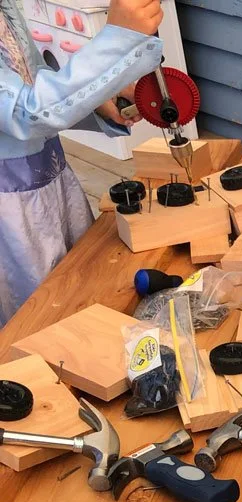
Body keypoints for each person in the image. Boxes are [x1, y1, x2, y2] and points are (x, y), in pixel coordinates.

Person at [0, 0, 163, 325]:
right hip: (10, 221)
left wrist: (97, 100)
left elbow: (29, 80)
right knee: (37, 321)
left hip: (50, 183)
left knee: (80, 287)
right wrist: (119, 40)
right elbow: (29, 112)